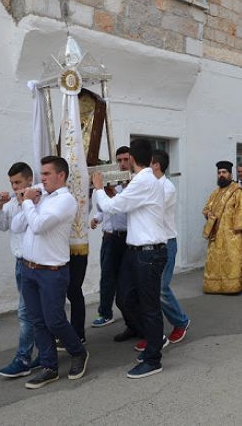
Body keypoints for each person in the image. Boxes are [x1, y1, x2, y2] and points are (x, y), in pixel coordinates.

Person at [92, 139, 168, 379]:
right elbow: (126, 206)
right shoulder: (142, 181)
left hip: (149, 253)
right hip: (137, 251)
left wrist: (98, 188)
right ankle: (145, 335)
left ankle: (153, 357)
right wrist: (113, 194)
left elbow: (113, 207)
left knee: (149, 306)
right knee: (124, 297)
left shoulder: (143, 180)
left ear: (133, 159)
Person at [12, 156, 88, 389]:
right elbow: (17, 226)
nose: (41, 178)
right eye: (41, 174)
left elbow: (39, 225)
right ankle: (49, 366)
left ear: (60, 175)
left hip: (52, 272)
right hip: (29, 269)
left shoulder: (65, 201)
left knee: (54, 320)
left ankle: (78, 352)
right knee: (37, 320)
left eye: (46, 174)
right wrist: (28, 202)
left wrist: (27, 202)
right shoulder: (40, 196)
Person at [0, 162, 40, 378]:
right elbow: (0, 225)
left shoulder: (39, 198)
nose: (14, 186)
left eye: (18, 182)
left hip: (38, 263)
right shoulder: (11, 203)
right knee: (32, 312)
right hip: (21, 264)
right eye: (12, 183)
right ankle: (47, 352)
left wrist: (26, 202)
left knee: (27, 313)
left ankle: (23, 358)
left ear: (29, 180)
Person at [149, 150, 190, 345]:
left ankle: (181, 321)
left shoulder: (167, 187)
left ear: (156, 165)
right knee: (150, 291)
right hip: (150, 245)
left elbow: (153, 208)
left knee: (161, 289)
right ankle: (151, 333)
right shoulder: (150, 184)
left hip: (166, 243)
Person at [202, 161, 242, 294]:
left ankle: (233, 285)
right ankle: (216, 285)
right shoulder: (215, 193)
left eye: (224, 172)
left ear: (230, 174)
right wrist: (208, 213)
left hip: (233, 236)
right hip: (216, 235)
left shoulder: (238, 191)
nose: (221, 175)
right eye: (219, 173)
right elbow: (206, 208)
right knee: (217, 262)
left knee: (232, 262)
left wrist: (236, 230)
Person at [90, 146, 130, 329]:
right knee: (106, 277)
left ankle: (131, 314)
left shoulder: (132, 185)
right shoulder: (110, 183)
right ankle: (105, 313)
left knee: (126, 278)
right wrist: (97, 218)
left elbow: (125, 209)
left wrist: (114, 195)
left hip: (126, 236)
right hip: (109, 237)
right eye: (119, 160)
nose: (122, 164)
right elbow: (102, 209)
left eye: (125, 159)